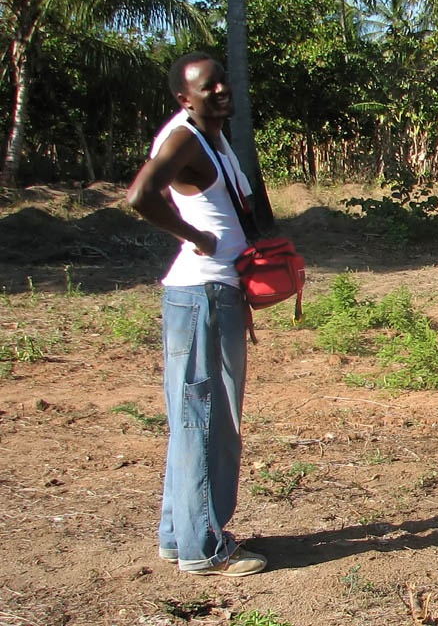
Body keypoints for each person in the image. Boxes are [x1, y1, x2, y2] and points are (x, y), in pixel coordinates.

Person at [126, 52, 266, 577]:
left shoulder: (212, 135)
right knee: (208, 420)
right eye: (209, 87)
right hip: (201, 294)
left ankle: (178, 533)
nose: (222, 90)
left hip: (216, 294)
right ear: (186, 98)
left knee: (196, 419)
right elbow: (140, 195)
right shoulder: (184, 137)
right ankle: (204, 547)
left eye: (222, 81)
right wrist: (197, 237)